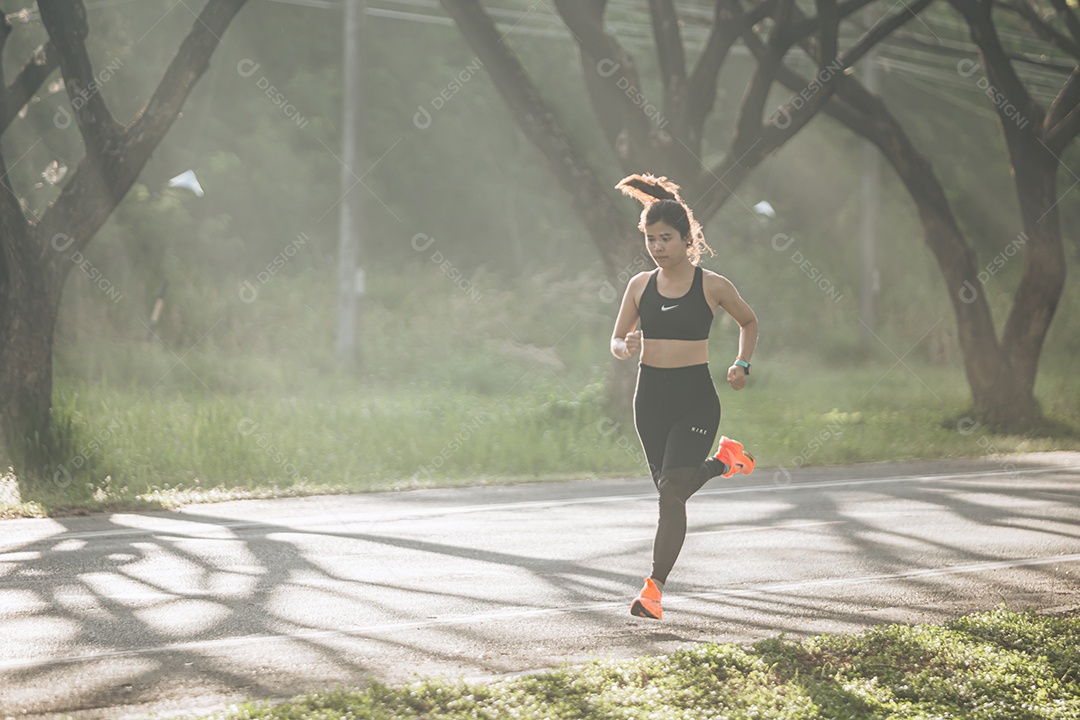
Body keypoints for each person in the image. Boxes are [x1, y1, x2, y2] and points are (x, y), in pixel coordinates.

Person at [610, 173, 758, 620]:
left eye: (666, 239)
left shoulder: (712, 285)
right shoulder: (639, 285)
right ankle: (723, 461)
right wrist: (626, 346)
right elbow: (616, 340)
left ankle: (652, 590)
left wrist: (742, 364)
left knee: (671, 493)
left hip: (696, 399)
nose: (658, 247)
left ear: (687, 238)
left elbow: (748, 322)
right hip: (650, 400)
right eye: (651, 239)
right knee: (667, 491)